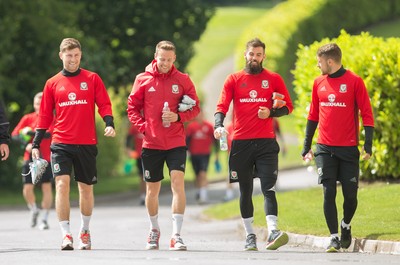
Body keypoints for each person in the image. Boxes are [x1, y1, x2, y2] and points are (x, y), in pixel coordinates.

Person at [31, 38, 116, 251]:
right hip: (61, 142)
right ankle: (65, 234)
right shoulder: (52, 83)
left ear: (81, 55)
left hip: (86, 142)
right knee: (61, 184)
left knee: (85, 189)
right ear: (61, 55)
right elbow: (44, 115)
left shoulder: (92, 78)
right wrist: (36, 143)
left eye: (77, 55)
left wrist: (109, 123)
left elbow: (104, 103)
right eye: (69, 55)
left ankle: (84, 231)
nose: (73, 59)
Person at [214, 38, 293, 251]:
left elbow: (288, 107)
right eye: (251, 54)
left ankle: (273, 231)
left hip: (266, 142)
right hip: (240, 143)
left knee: (269, 187)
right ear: (245, 55)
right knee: (245, 190)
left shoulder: (273, 79)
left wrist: (271, 112)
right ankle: (250, 235)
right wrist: (218, 124)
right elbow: (221, 106)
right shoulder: (234, 79)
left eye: (258, 55)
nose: (255, 58)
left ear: (264, 56)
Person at [301, 43, 374, 253]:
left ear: (330, 61)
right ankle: (333, 237)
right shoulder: (318, 83)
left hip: (348, 149)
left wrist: (367, 145)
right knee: (328, 191)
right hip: (324, 148)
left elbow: (367, 114)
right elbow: (313, 115)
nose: (318, 65)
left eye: (320, 61)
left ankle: (346, 225)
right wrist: (307, 145)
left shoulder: (354, 82)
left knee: (350, 195)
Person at [127, 40, 200, 251]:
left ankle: (176, 235)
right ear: (155, 57)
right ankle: (154, 229)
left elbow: (195, 108)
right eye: (162, 59)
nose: (165, 63)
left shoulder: (183, 79)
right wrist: (144, 127)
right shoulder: (142, 79)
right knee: (152, 190)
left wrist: (178, 115)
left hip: (176, 141)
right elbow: (132, 108)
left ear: (174, 58)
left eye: (169, 59)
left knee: (178, 183)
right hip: (151, 143)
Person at [11, 92, 53, 230]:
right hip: (29, 159)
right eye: (36, 104)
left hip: (46, 158)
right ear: (34, 104)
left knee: (46, 187)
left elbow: (48, 134)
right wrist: (25, 144)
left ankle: (45, 218)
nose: (39, 106)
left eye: (41, 104)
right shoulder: (27, 118)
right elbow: (14, 135)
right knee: (27, 188)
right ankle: (34, 209)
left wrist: (30, 133)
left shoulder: (51, 118)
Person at [186, 110, 218, 204]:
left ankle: (203, 195)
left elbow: (214, 141)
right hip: (194, 154)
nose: (200, 116)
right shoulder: (191, 126)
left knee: (203, 173)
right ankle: (199, 191)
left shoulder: (208, 126)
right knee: (197, 175)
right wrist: (187, 152)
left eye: (201, 114)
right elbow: (187, 140)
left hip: (205, 154)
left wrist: (216, 154)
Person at [126, 124, 146, 205]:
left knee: (151, 176)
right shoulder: (135, 126)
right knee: (142, 176)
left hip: (151, 154)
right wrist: (128, 150)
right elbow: (128, 139)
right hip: (139, 154)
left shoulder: (151, 123)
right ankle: (143, 196)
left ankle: (150, 195)